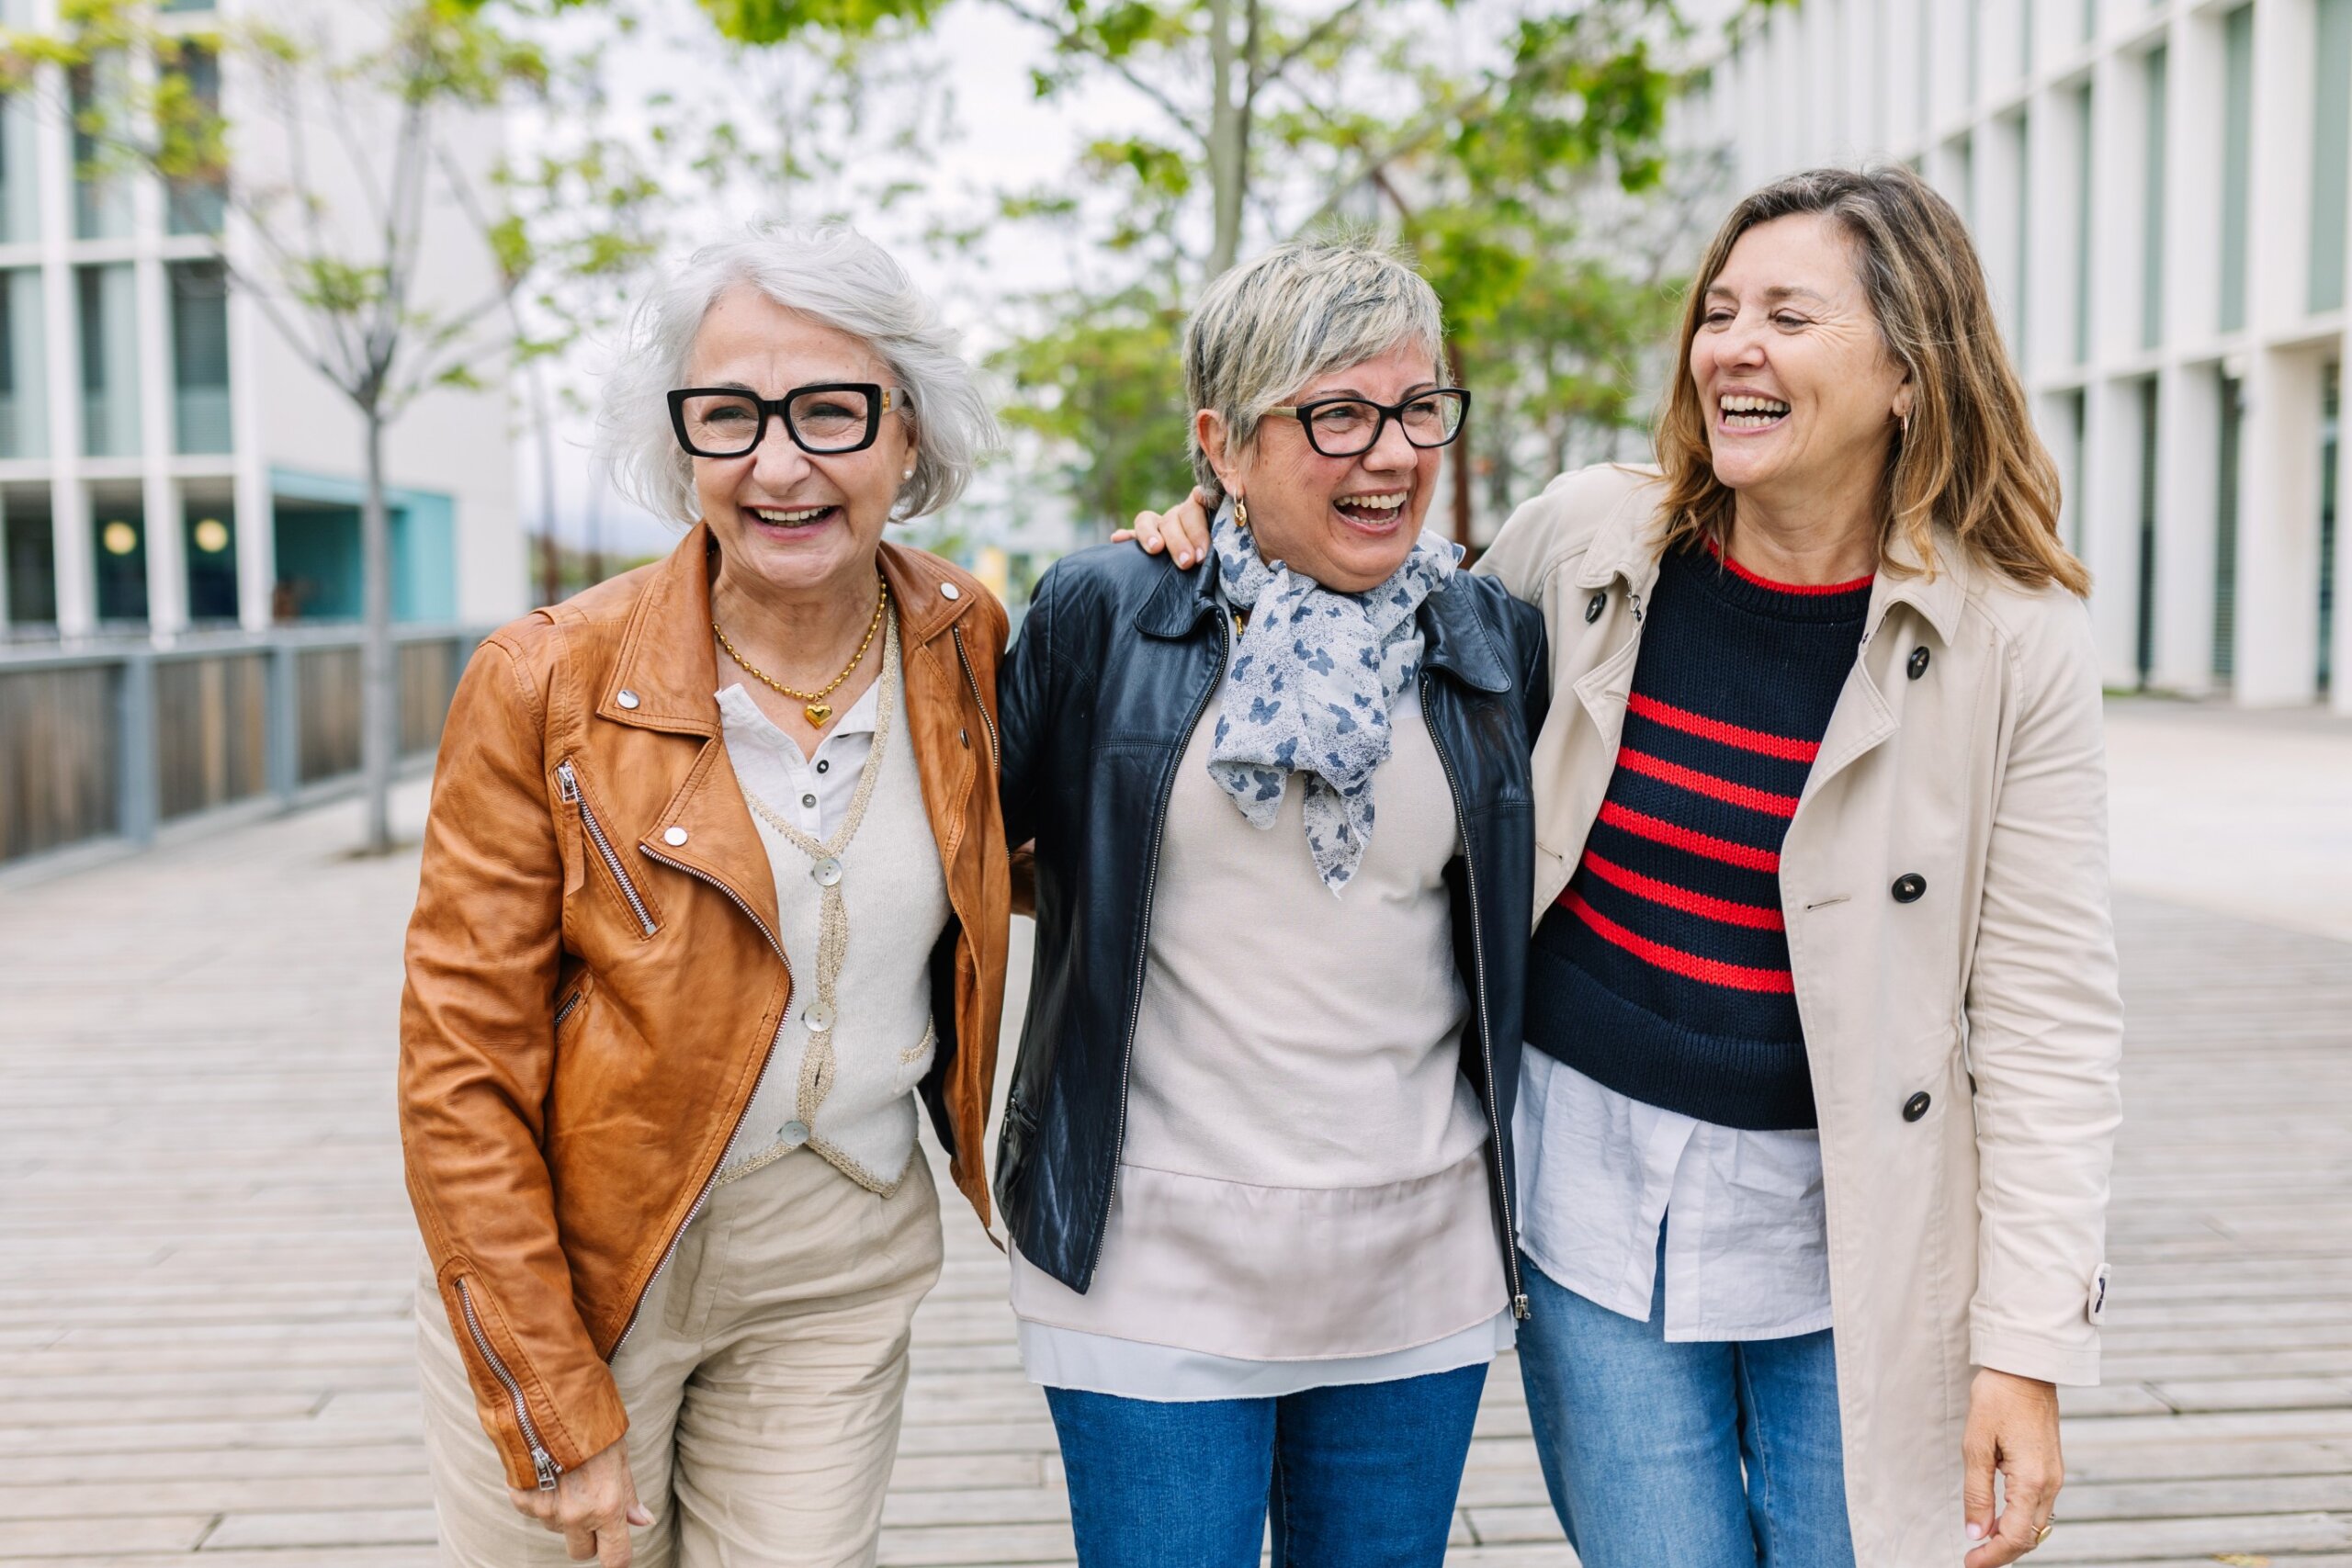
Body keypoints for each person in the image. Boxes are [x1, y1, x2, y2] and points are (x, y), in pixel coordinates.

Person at [1125, 166, 2123, 1568]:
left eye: (1788, 313)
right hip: (1587, 1201)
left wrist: (2027, 1347)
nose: (1733, 347)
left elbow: (2050, 1020)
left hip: (1861, 1230)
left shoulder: (2013, 640)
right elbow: (1360, 583)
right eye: (1719, 312)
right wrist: (1207, 522)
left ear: (1911, 370)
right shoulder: (1590, 538)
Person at [398, 223, 1012, 1568]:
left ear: (907, 435)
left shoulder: (963, 638)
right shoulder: (542, 681)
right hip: (582, 1256)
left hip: (835, 1252)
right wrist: (551, 1394)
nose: (779, 463)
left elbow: (1048, 849)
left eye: (832, 412)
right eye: (730, 414)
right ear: (681, 444)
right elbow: (459, 1071)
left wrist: (1212, 551)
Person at [992, 239, 1548, 1567]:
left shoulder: (1487, 637)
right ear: (1222, 445)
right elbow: (973, 861)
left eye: (1419, 408)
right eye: (1336, 415)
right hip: (1148, 1261)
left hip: (1415, 1256)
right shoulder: (1106, 612)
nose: (1393, 453)